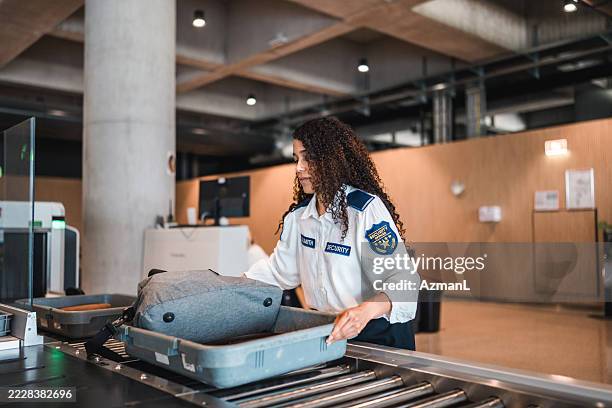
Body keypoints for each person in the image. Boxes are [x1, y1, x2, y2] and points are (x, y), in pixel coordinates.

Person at [245, 117, 418, 350]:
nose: (299, 168)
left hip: (379, 336)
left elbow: (403, 281)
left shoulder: (365, 210)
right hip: (330, 333)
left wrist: (365, 311)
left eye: (309, 158)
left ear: (331, 160)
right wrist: (232, 286)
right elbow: (279, 272)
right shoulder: (299, 218)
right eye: (297, 159)